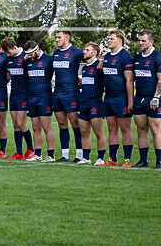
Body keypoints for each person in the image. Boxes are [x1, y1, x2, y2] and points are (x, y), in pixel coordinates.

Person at [132, 29, 161, 169]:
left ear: (151, 42)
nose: (140, 43)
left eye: (143, 41)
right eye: (139, 40)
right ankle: (143, 161)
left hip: (154, 99)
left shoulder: (158, 58)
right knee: (141, 130)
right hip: (139, 99)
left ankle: (159, 161)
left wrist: (156, 97)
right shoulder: (136, 58)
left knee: (155, 130)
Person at [101, 29, 135, 167]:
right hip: (108, 97)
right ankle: (112, 160)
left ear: (120, 41)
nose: (109, 41)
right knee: (111, 128)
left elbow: (129, 80)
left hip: (121, 98)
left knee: (125, 128)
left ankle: (127, 159)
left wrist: (130, 102)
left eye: (112, 39)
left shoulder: (125, 57)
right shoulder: (107, 56)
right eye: (108, 38)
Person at [52, 30, 84, 162]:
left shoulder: (76, 52)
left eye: (59, 37)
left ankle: (79, 155)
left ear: (67, 38)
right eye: (56, 37)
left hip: (71, 93)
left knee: (75, 124)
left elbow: (92, 60)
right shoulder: (56, 53)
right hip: (57, 93)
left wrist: (84, 79)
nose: (56, 40)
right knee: (62, 124)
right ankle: (65, 155)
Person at [3, 37, 34, 160]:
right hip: (13, 94)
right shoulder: (9, 58)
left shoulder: (26, 57)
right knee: (15, 124)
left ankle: (31, 149)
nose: (8, 54)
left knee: (21, 123)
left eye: (9, 52)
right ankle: (19, 152)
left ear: (15, 47)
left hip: (24, 94)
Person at [24, 41, 55, 162]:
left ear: (36, 50)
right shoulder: (28, 61)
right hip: (31, 97)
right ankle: (37, 154)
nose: (29, 56)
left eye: (30, 54)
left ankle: (51, 155)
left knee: (47, 127)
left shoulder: (48, 59)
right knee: (35, 127)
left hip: (44, 97)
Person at [76, 42, 105, 165]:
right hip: (83, 103)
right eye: (84, 49)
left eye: (87, 50)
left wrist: (102, 60)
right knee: (84, 132)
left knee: (99, 133)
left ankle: (100, 158)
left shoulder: (100, 66)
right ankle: (86, 158)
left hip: (95, 103)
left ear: (94, 53)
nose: (84, 51)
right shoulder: (84, 68)